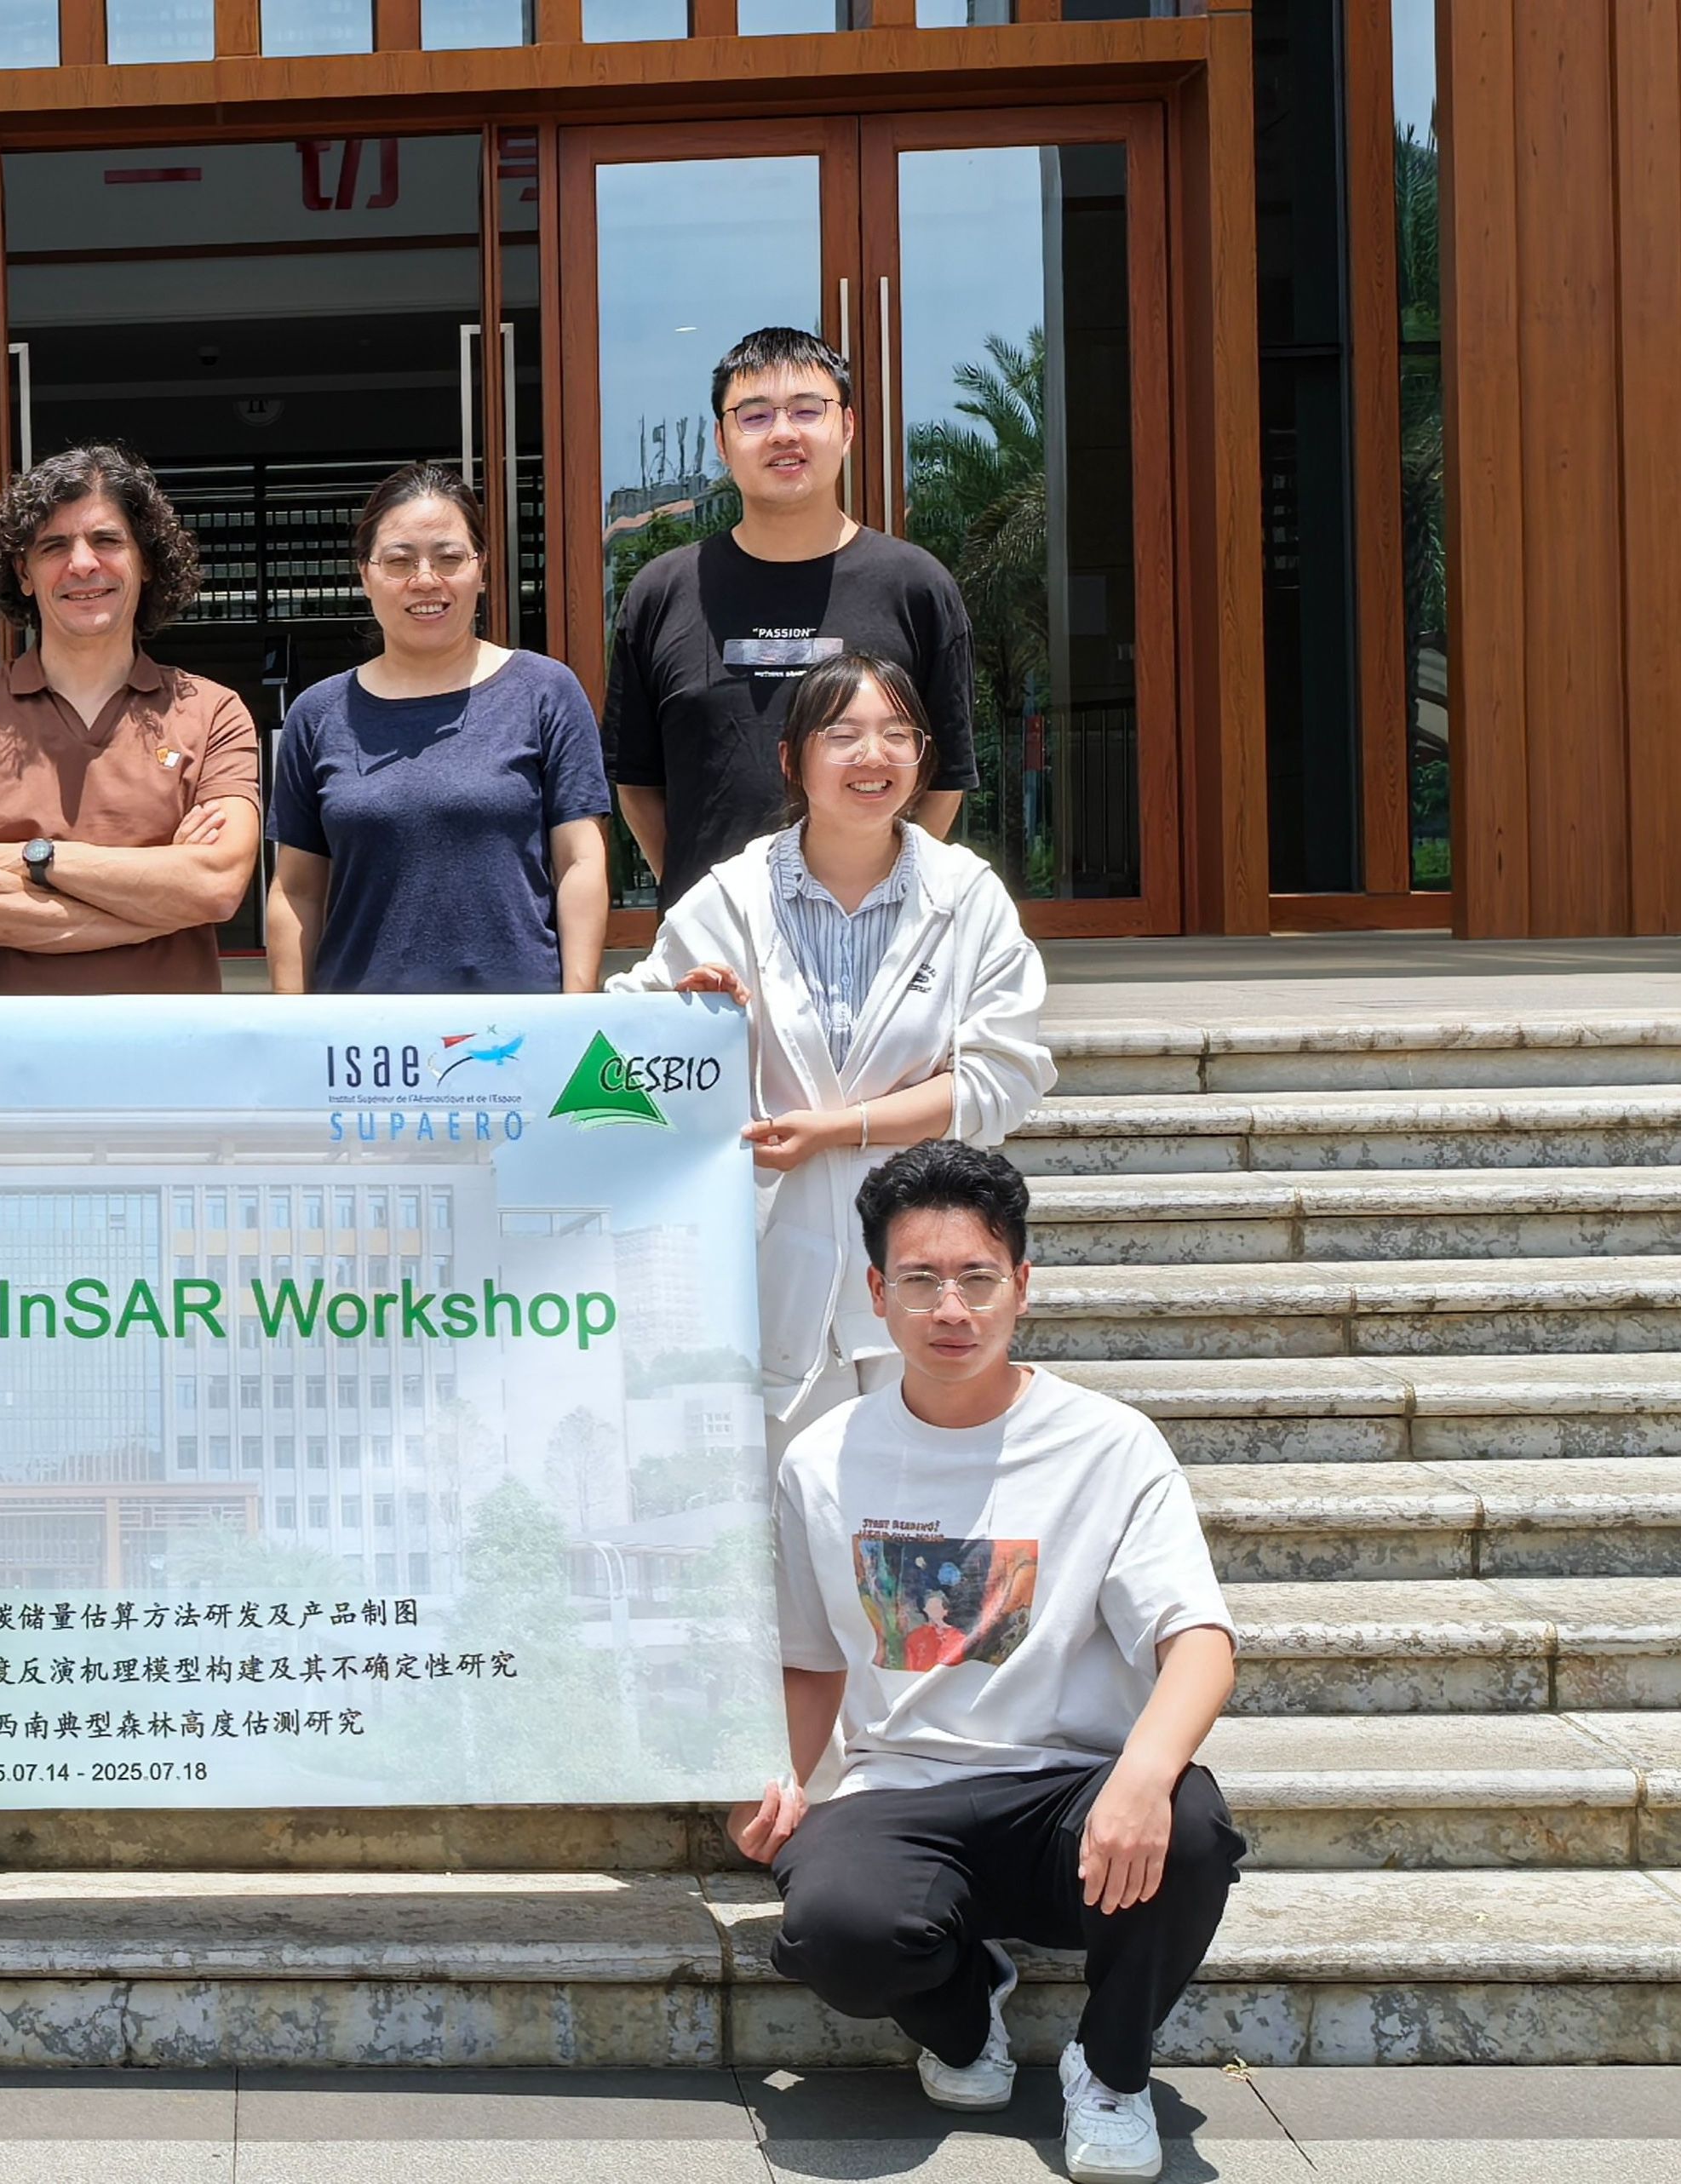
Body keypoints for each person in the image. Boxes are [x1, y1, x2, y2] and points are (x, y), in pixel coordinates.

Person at [731, 1141, 1240, 2184]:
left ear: (1022, 1285)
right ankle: (966, 2018)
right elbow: (812, 1660)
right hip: (901, 1792)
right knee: (836, 1931)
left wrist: (1144, 1777)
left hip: (1070, 1801)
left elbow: (1198, 1640)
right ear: (878, 1294)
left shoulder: (1108, 1445)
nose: (951, 1308)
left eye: (978, 1277)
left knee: (1191, 1826)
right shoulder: (823, 1459)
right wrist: (771, 1779)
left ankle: (1112, 2072)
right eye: (921, 1280)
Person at [609, 651, 1052, 1452]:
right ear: (793, 759)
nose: (872, 756)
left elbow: (1002, 1077)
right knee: (788, 1501)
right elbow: (624, 1046)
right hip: (773, 1262)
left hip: (925, 1265)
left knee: (928, 1492)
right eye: (843, 735)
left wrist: (839, 1129)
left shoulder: (967, 895)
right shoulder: (732, 899)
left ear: (923, 757)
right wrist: (688, 1016)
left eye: (897, 734)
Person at [605, 325, 982, 909]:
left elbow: (946, 776)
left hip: (874, 936)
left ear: (847, 428)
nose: (783, 433)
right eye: (754, 416)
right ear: (722, 441)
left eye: (808, 410)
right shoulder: (662, 594)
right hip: (715, 949)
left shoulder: (917, 589)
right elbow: (637, 783)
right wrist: (705, 907)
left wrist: (886, 900)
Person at [0, 444, 261, 994]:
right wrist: (161, 899)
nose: (82, 564)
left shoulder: (213, 711)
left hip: (170, 1043)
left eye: (107, 541)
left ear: (147, 561)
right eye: (54, 546)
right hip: (7, 1044)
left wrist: (35, 859)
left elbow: (216, 887)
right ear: (24, 573)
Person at [266, 463, 613, 995]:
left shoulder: (545, 691)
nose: (425, 580)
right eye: (399, 561)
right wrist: (295, 1024)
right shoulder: (318, 714)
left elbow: (580, 862)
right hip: (364, 1030)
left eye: (449, 558)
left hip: (515, 1025)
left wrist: (575, 1010)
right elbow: (297, 891)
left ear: (481, 568)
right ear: (365, 575)